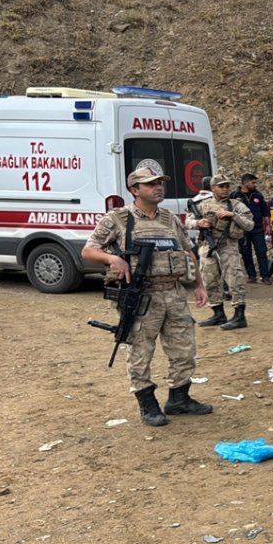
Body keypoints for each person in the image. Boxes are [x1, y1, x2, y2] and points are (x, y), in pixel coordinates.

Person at [82, 166, 213, 427]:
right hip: (143, 296)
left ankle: (179, 398)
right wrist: (112, 258)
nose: (158, 187)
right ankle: (147, 404)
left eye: (160, 183)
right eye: (151, 184)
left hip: (174, 293)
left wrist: (199, 285)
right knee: (141, 351)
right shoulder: (118, 219)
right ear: (135, 190)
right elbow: (88, 251)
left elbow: (188, 252)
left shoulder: (170, 218)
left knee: (184, 348)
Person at [188, 175, 255, 330]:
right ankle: (218, 313)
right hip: (207, 246)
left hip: (228, 245)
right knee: (209, 279)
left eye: (227, 186)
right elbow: (187, 221)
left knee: (234, 279)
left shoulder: (236, 205)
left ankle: (239, 315)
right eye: (221, 186)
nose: (225, 189)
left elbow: (250, 225)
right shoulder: (202, 205)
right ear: (212, 189)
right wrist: (199, 223)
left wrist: (233, 215)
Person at [236, 172, 272, 284]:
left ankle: (265, 276)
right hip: (242, 229)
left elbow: (265, 212)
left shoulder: (258, 195)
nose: (255, 185)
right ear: (245, 183)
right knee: (246, 253)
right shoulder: (235, 195)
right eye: (253, 182)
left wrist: (268, 225)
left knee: (261, 252)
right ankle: (251, 276)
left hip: (257, 229)